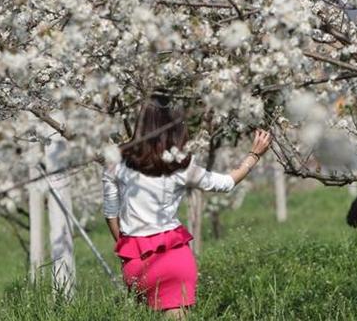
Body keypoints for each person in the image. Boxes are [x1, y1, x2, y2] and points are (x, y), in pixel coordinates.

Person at [102, 93, 272, 318]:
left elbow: (111, 213)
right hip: (173, 259)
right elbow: (227, 183)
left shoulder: (116, 161)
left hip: (136, 261)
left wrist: (128, 249)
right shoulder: (182, 166)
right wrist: (253, 155)